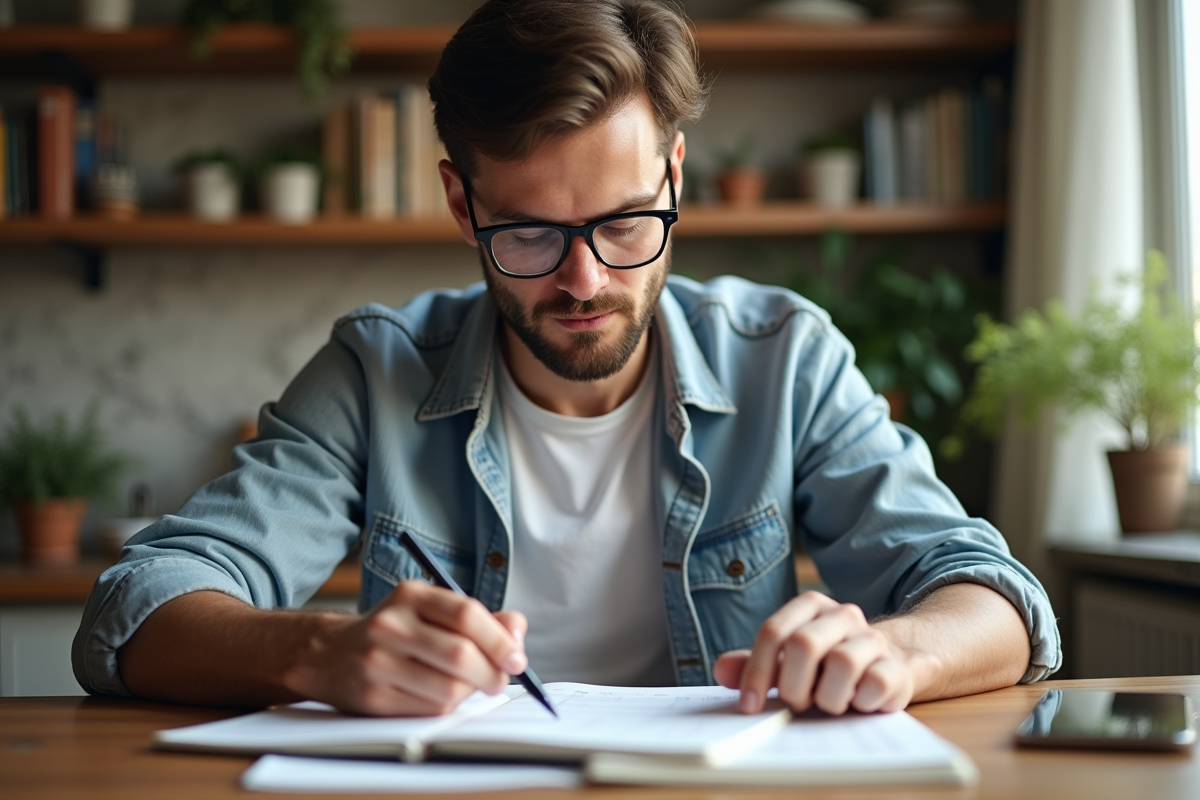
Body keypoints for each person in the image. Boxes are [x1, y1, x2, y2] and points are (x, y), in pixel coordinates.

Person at [73, 0, 1059, 719]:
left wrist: (891, 650)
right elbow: (137, 604)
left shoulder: (784, 359)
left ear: (675, 176)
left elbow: (996, 599)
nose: (585, 280)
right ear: (464, 206)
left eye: (627, 221)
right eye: (532, 233)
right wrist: (317, 649)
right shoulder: (375, 372)